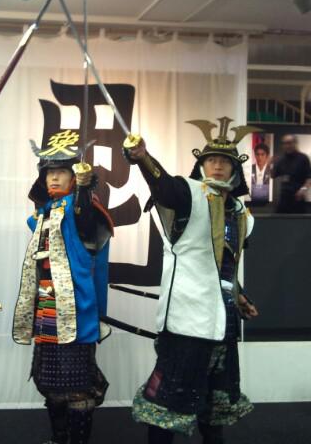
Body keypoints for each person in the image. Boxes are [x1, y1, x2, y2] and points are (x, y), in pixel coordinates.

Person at [123, 117, 259, 444]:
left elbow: (226, 266)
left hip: (223, 322)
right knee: (168, 402)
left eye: (225, 161)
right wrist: (143, 158)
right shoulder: (189, 194)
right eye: (212, 159)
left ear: (235, 169)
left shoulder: (241, 212)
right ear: (201, 165)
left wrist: (239, 296)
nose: (218, 165)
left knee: (215, 404)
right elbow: (165, 188)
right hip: (186, 321)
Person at [13, 130, 114, 444]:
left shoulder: (82, 209)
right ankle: (59, 439)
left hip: (77, 310)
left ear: (73, 176)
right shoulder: (45, 213)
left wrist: (84, 187)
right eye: (49, 172)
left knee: (78, 386)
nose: (54, 178)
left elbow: (83, 217)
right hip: (46, 306)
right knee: (51, 383)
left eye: (61, 172)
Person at [271, 134, 311, 213]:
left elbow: (310, 178)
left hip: (298, 198)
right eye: (284, 143)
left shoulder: (303, 158)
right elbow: (273, 175)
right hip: (284, 198)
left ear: (295, 143)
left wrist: (303, 189)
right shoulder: (281, 159)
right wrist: (268, 165)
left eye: (289, 143)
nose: (287, 146)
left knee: (298, 220)